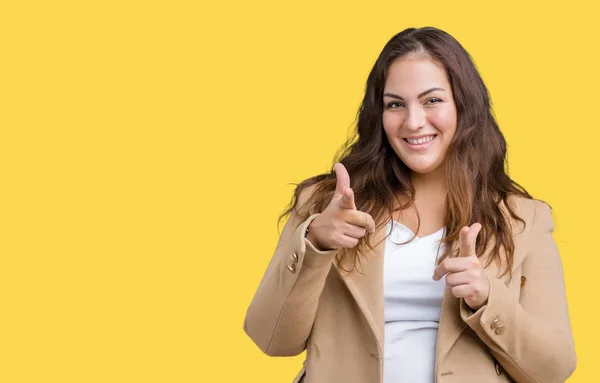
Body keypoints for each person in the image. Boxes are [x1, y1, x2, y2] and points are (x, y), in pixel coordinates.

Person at [243, 26, 576, 383]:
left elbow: (553, 370)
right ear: (379, 113)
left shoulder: (521, 219)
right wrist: (316, 243)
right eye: (395, 104)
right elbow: (271, 339)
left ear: (464, 105)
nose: (413, 122)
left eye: (432, 100)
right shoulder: (326, 205)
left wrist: (487, 298)